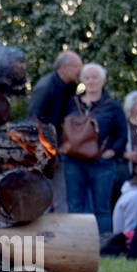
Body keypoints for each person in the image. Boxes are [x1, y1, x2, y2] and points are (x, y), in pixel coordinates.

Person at [62, 63, 127, 235]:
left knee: (102, 208)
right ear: (82, 80)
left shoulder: (112, 106)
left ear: (103, 80)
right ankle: (76, 244)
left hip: (101, 164)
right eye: (88, 77)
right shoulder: (72, 103)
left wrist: (113, 151)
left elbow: (122, 133)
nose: (91, 81)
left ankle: (103, 245)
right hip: (73, 161)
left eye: (95, 77)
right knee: (75, 206)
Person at [27, 50, 83, 212]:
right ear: (64, 68)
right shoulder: (45, 88)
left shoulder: (71, 87)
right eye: (77, 66)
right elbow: (33, 120)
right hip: (45, 151)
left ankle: (62, 233)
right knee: (42, 193)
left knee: (61, 197)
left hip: (60, 150)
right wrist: (46, 149)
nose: (81, 70)